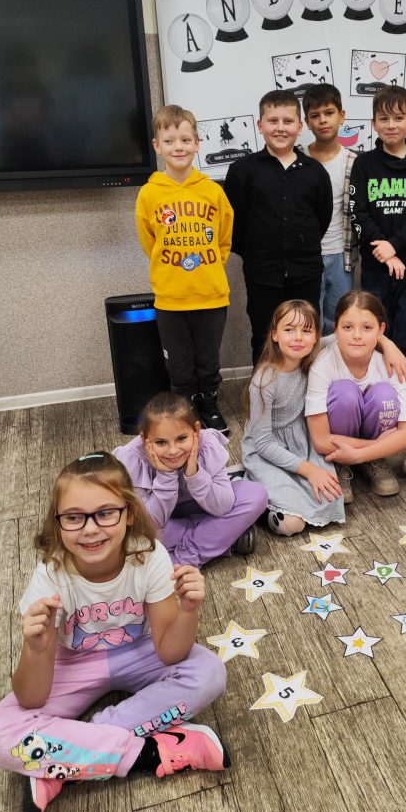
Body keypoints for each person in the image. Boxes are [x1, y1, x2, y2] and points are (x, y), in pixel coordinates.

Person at [0, 453, 229, 812]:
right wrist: (35, 648)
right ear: (57, 522)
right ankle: (151, 753)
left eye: (106, 513)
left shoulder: (149, 556)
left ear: (129, 514)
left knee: (210, 673)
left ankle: (64, 761)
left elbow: (171, 653)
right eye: (74, 517)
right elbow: (32, 697)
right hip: (74, 661)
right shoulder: (50, 575)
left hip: (141, 651)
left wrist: (188, 611)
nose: (90, 529)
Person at [136, 104, 233, 434]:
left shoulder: (213, 191)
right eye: (169, 141)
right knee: (178, 364)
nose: (178, 147)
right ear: (157, 146)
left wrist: (208, 267)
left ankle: (210, 405)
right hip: (171, 298)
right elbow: (150, 242)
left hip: (211, 295)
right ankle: (186, 411)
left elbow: (223, 239)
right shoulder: (149, 194)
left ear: (197, 144)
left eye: (185, 140)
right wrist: (173, 269)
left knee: (208, 360)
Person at [225, 90, 333, 364]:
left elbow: (321, 217)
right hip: (262, 273)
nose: (280, 128)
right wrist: (256, 253)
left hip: (306, 271)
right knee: (264, 333)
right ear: (260, 125)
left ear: (300, 126)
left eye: (288, 121)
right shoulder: (242, 170)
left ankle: (305, 387)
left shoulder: (315, 171)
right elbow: (233, 224)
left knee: (305, 333)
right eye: (273, 121)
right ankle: (263, 389)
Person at [113, 393, 268, 566]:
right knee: (132, 534)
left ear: (196, 430)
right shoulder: (132, 458)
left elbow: (223, 507)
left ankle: (182, 559)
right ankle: (221, 537)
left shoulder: (207, 444)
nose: (173, 451)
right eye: (161, 442)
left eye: (181, 438)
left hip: (201, 507)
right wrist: (165, 475)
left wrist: (194, 474)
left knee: (256, 494)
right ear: (144, 439)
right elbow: (150, 523)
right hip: (164, 524)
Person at [349, 85, 406, 361]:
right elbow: (358, 213)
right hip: (375, 267)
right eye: (384, 119)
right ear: (374, 123)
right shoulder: (363, 164)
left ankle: (404, 382)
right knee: (374, 329)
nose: (391, 125)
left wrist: (395, 247)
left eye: (398, 118)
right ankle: (376, 382)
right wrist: (386, 253)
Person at [242, 299, 345, 535]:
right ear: (275, 335)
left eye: (306, 331)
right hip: (267, 450)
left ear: (316, 336)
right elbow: (264, 443)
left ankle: (276, 496)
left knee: (328, 498)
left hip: (301, 441)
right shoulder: (264, 381)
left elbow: (345, 335)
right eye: (289, 329)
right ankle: (250, 495)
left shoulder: (313, 353)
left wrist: (387, 344)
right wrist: (309, 470)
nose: (298, 337)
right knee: (291, 525)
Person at [306, 291, 406, 500]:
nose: (357, 335)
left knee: (384, 394)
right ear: (335, 329)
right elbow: (320, 441)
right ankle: (340, 463)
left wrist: (359, 455)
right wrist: (378, 446)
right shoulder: (323, 365)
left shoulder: (394, 365)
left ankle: (374, 461)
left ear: (381, 330)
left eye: (367, 328)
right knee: (345, 393)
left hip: (365, 441)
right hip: (337, 447)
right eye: (347, 327)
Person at [300, 83, 359, 335]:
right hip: (307, 256)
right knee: (309, 321)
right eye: (315, 115)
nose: (322, 120)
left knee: (338, 322)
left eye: (329, 113)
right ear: (307, 122)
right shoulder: (297, 159)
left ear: (341, 116)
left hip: (341, 255)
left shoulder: (354, 162)